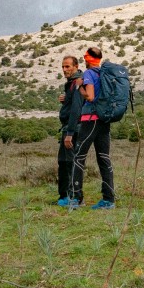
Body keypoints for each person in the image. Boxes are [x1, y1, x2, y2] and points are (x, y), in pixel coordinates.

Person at [74, 47, 115, 209]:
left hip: (90, 118)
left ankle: (77, 198)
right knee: (104, 158)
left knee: (78, 157)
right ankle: (108, 199)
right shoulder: (104, 74)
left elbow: (89, 96)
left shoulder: (89, 74)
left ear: (88, 58)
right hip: (104, 119)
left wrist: (80, 86)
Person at [56, 55, 85, 206]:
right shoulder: (71, 84)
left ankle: (74, 197)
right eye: (63, 66)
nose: (65, 69)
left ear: (76, 66)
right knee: (63, 161)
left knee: (70, 162)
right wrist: (66, 98)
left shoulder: (77, 83)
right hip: (68, 128)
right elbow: (72, 103)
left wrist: (70, 133)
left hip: (72, 129)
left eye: (67, 66)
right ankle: (65, 196)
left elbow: (76, 110)